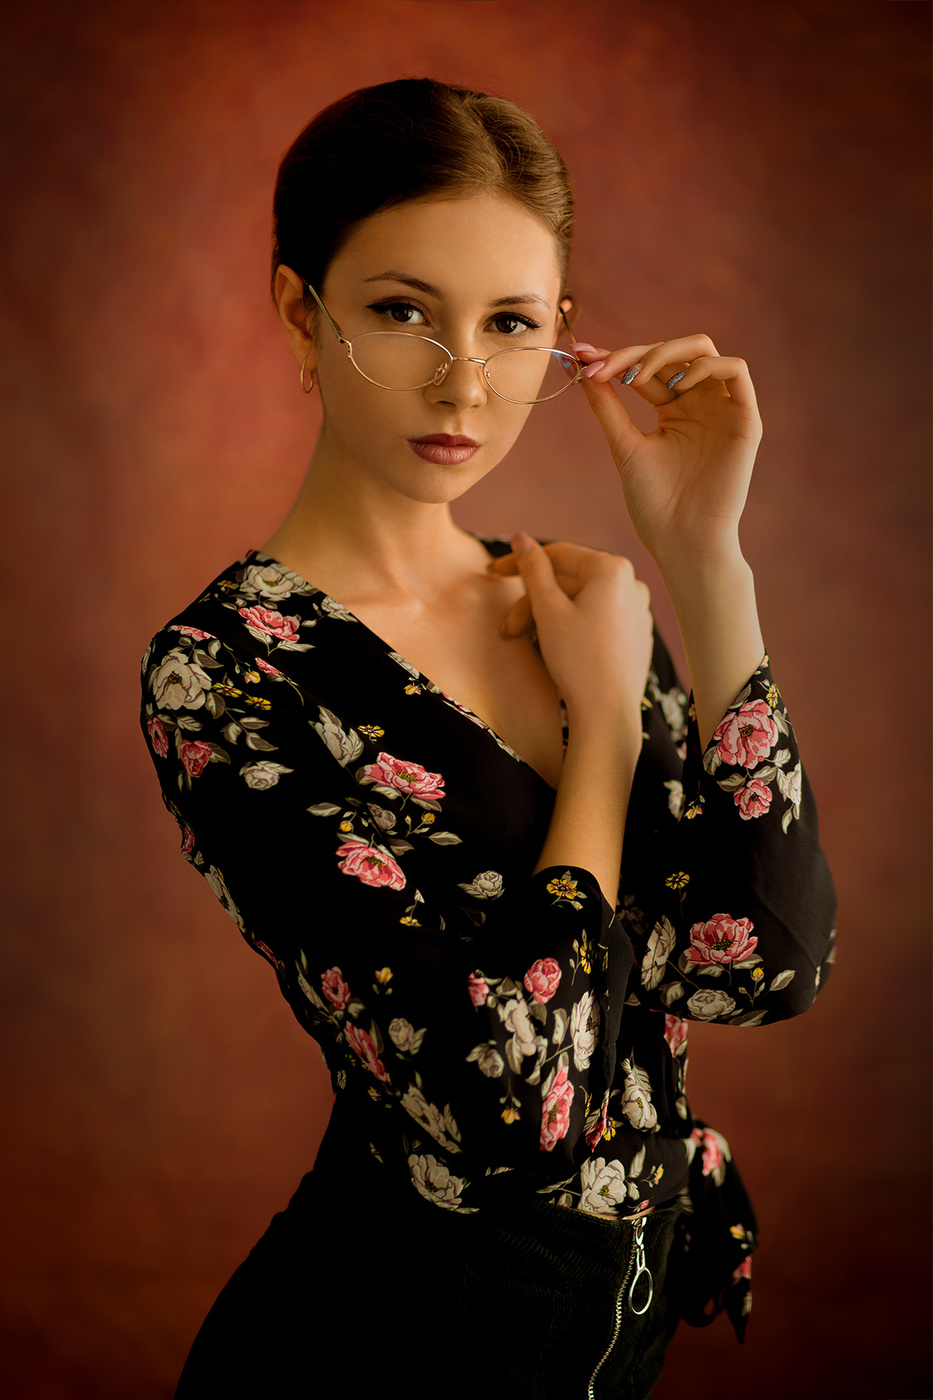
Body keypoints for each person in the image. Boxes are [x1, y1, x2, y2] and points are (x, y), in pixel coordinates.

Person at [141, 78, 836, 1399]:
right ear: (301, 310)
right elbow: (515, 1110)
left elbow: (766, 962)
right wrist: (603, 737)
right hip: (390, 1344)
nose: (464, 382)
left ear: (561, 337)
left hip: (609, 1328)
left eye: (509, 324)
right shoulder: (225, 673)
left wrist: (703, 562)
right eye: (402, 312)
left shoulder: (574, 604)